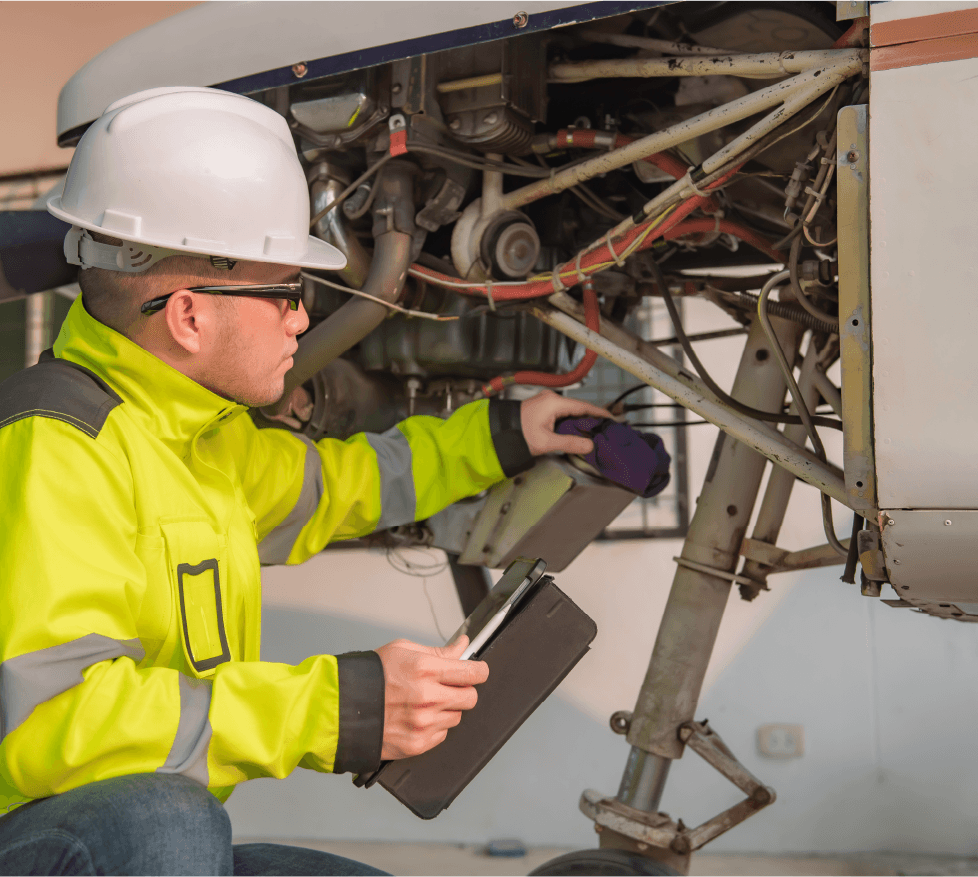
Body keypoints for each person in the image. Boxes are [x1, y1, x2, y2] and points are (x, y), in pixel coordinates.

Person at [0, 87, 608, 876]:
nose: (300, 319)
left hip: (135, 841)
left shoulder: (199, 439)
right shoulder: (56, 443)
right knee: (166, 817)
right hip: (49, 834)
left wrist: (502, 434)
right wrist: (340, 707)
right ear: (188, 316)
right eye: (289, 292)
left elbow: (343, 485)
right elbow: (57, 721)